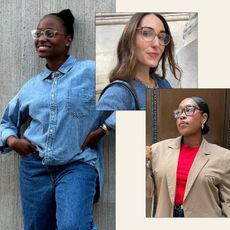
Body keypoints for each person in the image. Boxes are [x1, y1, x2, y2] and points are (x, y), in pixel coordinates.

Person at [0, 9, 104, 230]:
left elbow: (132, 93)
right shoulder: (31, 87)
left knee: (73, 226)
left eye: (50, 33)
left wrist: (105, 127)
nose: (41, 38)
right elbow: (6, 122)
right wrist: (12, 141)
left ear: (68, 40)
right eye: (37, 33)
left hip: (77, 164)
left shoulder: (90, 71)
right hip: (35, 169)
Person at [81, 12, 181, 150]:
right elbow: (89, 132)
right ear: (130, 39)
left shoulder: (163, 83)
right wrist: (106, 127)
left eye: (162, 37)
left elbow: (173, 114)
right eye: (147, 33)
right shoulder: (119, 92)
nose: (157, 43)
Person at [146, 96, 230, 217]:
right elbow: (148, 192)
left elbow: (228, 202)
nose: (182, 116)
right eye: (179, 112)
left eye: (189, 110)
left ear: (204, 118)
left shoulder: (223, 157)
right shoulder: (158, 150)